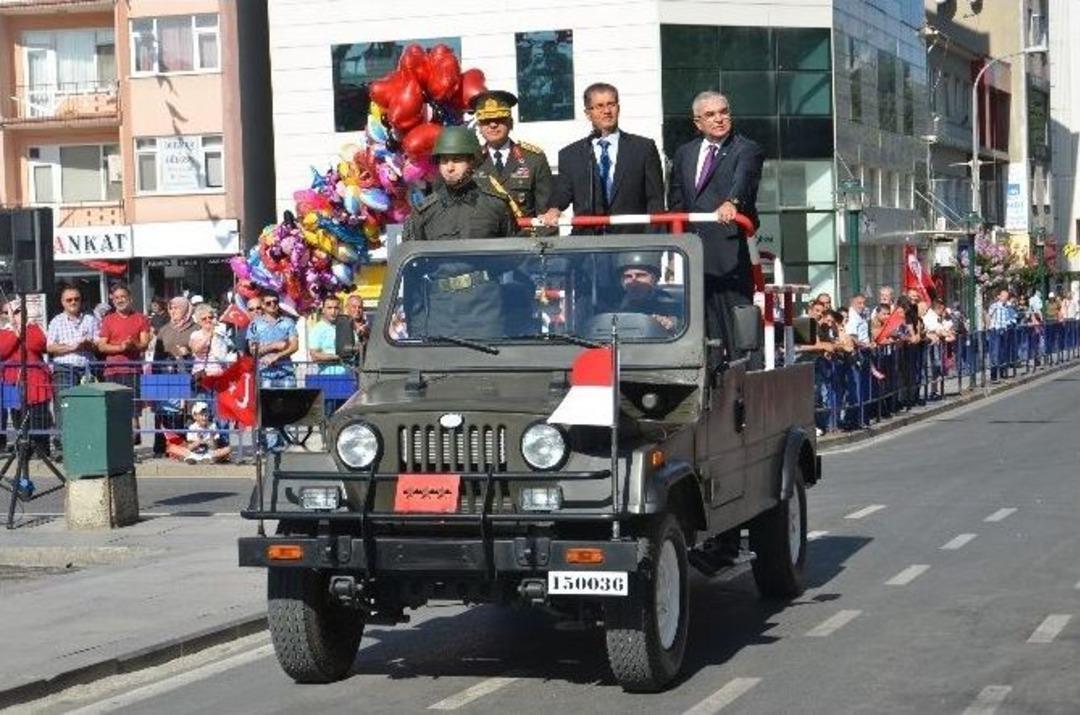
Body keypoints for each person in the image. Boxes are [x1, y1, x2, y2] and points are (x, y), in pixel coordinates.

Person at [667, 91, 765, 346]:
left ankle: (741, 377)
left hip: (729, 255)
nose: (719, 119)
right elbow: (677, 201)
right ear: (698, 123)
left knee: (736, 333)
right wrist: (671, 249)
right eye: (710, 115)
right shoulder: (684, 153)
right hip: (692, 254)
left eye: (724, 112)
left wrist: (732, 202)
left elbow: (743, 179)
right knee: (699, 329)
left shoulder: (746, 149)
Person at [402, 125, 516, 337]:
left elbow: (512, 260)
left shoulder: (495, 205)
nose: (450, 167)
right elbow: (412, 275)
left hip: (486, 308)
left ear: (471, 161)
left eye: (457, 160)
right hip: (440, 310)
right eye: (444, 161)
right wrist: (417, 327)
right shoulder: (425, 212)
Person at [541, 82, 665, 233]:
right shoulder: (571, 154)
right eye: (599, 106)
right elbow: (563, 192)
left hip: (632, 240)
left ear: (618, 108)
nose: (607, 111)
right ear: (588, 113)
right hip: (588, 243)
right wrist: (554, 209)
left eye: (611, 104)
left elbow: (655, 201)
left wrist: (652, 243)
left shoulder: (643, 148)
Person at [470, 90, 555, 236]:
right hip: (483, 243)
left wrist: (543, 251)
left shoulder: (533, 159)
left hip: (524, 244)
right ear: (479, 126)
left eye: (500, 119)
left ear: (511, 123)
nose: (493, 125)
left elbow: (546, 214)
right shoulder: (471, 161)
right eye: (486, 120)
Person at [95, 284, 151, 444]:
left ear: (130, 298)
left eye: (123, 297)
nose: (120, 300)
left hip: (132, 370)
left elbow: (144, 343)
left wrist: (133, 345)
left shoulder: (140, 318)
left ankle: (132, 445)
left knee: (133, 410)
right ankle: (118, 444)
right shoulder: (108, 320)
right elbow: (101, 345)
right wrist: (120, 347)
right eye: (117, 297)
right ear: (113, 300)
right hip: (112, 371)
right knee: (114, 409)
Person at [45, 286, 98, 454]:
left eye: (76, 299)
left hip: (86, 368)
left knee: (87, 407)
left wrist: (88, 344)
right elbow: (50, 347)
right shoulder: (56, 321)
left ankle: (85, 444)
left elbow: (98, 343)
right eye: (69, 300)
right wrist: (71, 347)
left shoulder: (90, 319)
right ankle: (63, 444)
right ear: (62, 303)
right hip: (64, 368)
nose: (73, 302)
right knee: (64, 406)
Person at [0, 298, 52, 455]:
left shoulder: (33, 327)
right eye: (9, 312)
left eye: (17, 311)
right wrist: (16, 332)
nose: (14, 315)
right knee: (18, 417)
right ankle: (24, 449)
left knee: (39, 416)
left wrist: (22, 327)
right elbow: (3, 350)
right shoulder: (4, 331)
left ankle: (41, 449)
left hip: (35, 378)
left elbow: (38, 344)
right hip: (12, 379)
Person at [152, 296, 197, 457]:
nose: (173, 311)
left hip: (189, 376)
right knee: (164, 413)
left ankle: (187, 446)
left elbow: (201, 350)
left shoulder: (195, 328)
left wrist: (189, 352)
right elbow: (157, 356)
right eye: (171, 308)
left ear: (185, 309)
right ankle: (161, 446)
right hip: (166, 375)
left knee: (187, 412)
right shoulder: (164, 329)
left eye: (176, 308)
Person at [614, 252, 680, 334]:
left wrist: (670, 326)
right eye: (628, 276)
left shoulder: (668, 305)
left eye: (640, 275)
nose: (634, 282)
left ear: (654, 279)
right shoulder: (612, 303)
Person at [246, 288, 299, 388]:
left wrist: (277, 356)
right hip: (265, 373)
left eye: (275, 302)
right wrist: (274, 346)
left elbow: (294, 346)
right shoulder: (255, 325)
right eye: (268, 303)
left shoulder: (288, 322)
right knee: (266, 402)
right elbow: (253, 350)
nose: (272, 305)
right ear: (262, 305)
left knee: (290, 401)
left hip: (286, 372)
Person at [166, 401, 231, 464]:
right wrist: (198, 442)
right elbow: (189, 447)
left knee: (228, 449)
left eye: (206, 415)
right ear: (195, 416)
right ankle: (193, 458)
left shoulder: (213, 426)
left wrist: (211, 440)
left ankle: (208, 459)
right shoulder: (192, 427)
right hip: (194, 453)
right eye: (201, 415)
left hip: (209, 452)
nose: (204, 417)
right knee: (172, 448)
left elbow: (214, 446)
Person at [335, 294, 369, 368]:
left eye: (360, 307)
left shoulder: (368, 325)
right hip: (346, 368)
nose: (357, 310)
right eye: (354, 307)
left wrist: (366, 335)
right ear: (347, 308)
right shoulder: (341, 324)